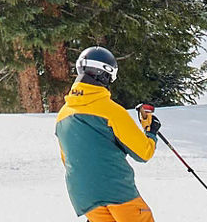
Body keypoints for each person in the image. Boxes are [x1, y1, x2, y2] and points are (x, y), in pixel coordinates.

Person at [56, 47, 165, 222]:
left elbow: (68, 159)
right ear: (105, 75)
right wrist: (150, 132)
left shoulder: (62, 115)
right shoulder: (111, 111)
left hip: (84, 196)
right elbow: (143, 153)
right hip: (117, 192)